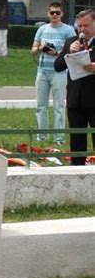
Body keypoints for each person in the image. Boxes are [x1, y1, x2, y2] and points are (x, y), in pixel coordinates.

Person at [54, 9, 95, 165]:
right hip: (75, 99)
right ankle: (77, 170)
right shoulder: (71, 41)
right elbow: (58, 66)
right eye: (80, 26)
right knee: (77, 140)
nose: (82, 29)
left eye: (87, 25)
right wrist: (69, 53)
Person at [31, 3, 76, 144]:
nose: (54, 15)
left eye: (57, 13)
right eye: (52, 13)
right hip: (42, 70)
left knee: (59, 106)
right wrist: (41, 48)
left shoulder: (69, 30)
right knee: (40, 105)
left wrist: (55, 52)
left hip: (60, 72)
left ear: (62, 14)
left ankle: (59, 138)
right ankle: (41, 136)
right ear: (48, 13)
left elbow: (72, 52)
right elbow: (32, 49)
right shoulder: (42, 29)